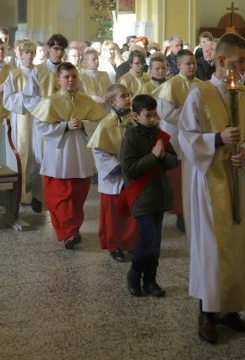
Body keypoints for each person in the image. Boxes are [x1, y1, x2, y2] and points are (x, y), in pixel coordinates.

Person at [177, 33, 245, 345]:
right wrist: (216, 139)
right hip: (211, 182)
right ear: (219, 61)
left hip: (241, 177)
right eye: (238, 62)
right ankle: (207, 311)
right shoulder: (199, 95)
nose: (244, 67)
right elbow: (185, 135)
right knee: (213, 249)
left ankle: (230, 309)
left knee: (241, 245)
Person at [31, 63, 107, 249]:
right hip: (59, 153)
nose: (71, 80)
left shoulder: (87, 100)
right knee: (59, 196)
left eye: (74, 76)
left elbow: (101, 124)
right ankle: (67, 233)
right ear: (59, 80)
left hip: (80, 152)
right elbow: (41, 126)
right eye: (66, 77)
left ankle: (73, 229)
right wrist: (64, 126)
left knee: (78, 194)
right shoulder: (50, 101)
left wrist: (84, 125)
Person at [120, 94, 179, 298]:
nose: (154, 119)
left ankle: (151, 280)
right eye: (149, 116)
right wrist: (153, 157)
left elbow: (173, 161)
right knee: (148, 240)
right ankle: (135, 274)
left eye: (155, 115)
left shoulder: (159, 135)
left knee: (155, 242)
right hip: (142, 197)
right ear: (136, 116)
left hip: (160, 196)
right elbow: (129, 168)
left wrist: (162, 156)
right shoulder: (130, 138)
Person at [87, 84, 138, 262]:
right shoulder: (106, 123)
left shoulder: (133, 120)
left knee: (131, 212)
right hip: (115, 178)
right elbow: (98, 150)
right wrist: (117, 166)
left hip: (132, 175)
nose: (128, 98)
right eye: (123, 96)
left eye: (128, 94)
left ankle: (131, 243)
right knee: (114, 215)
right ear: (112, 102)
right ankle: (115, 246)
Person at [154, 49, 198, 233]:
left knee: (193, 175)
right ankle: (180, 212)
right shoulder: (170, 85)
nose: (192, 66)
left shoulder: (201, 85)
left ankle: (192, 210)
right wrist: (191, 113)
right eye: (188, 63)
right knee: (177, 178)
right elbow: (166, 113)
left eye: (194, 63)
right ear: (178, 65)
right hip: (176, 136)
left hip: (196, 136)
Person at [3, 41, 45, 212]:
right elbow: (7, 99)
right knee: (22, 154)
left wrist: (38, 101)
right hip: (21, 118)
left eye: (32, 52)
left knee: (39, 156)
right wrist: (27, 98)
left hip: (39, 119)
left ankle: (37, 195)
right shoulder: (14, 74)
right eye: (26, 52)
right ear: (20, 54)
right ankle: (21, 194)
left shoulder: (41, 73)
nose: (29, 56)